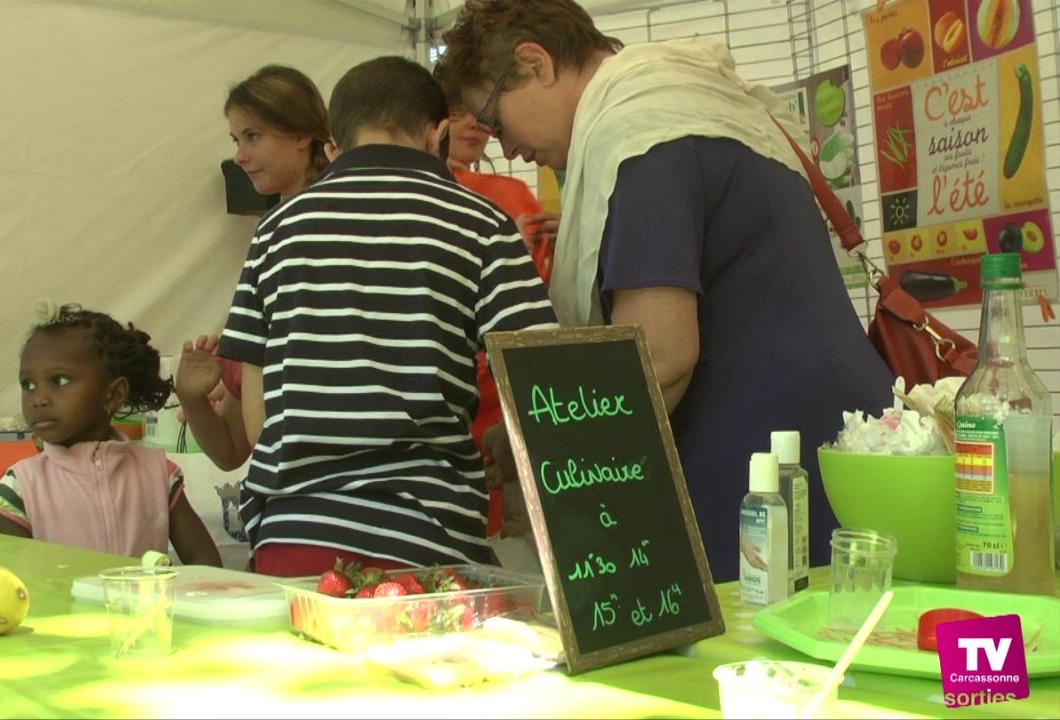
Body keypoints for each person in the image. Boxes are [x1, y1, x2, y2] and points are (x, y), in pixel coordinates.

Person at [435, 0, 894, 581]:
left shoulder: (642, 129)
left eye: (496, 122)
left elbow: (662, 356)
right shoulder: (701, 101)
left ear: (535, 63)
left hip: (761, 477)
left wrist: (548, 458)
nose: (507, 149)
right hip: (836, 450)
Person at [216, 55, 557, 577]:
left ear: (336, 142)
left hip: (294, 532)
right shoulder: (482, 223)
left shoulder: (277, 230)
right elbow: (542, 381)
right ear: (436, 133)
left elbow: (258, 411)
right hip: (427, 537)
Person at [176, 65, 332, 473]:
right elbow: (231, 450)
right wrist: (192, 396)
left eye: (253, 136)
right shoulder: (270, 235)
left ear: (301, 134)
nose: (239, 156)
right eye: (236, 139)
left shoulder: (331, 231)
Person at [0, 302, 222, 566]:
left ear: (113, 394)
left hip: (146, 596)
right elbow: (7, 578)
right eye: (28, 384)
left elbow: (205, 562)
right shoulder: (22, 485)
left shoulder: (158, 474)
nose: (38, 399)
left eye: (59, 381)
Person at [445, 102, 555, 547]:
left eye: (484, 117)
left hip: (506, 395)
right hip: (457, 398)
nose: (476, 125)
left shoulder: (512, 193)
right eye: (458, 113)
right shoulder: (464, 196)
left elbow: (547, 302)